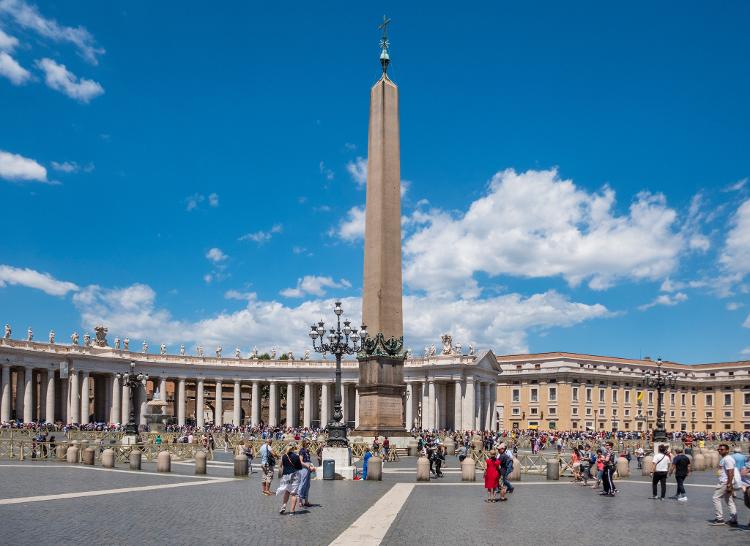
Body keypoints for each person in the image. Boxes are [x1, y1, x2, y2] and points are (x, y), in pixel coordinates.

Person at [276, 443, 314, 515]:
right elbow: (299, 467)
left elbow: (280, 466)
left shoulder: (283, 456)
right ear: (293, 448)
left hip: (286, 476)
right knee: (293, 494)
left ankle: (284, 505)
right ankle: (292, 511)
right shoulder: (296, 456)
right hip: (295, 475)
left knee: (287, 491)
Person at [710, 443, 739, 526]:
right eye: (718, 449)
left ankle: (719, 518)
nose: (719, 450)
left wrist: (729, 484)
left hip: (725, 482)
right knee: (729, 500)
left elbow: (731, 472)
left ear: (727, 450)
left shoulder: (728, 459)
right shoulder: (724, 458)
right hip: (726, 481)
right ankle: (733, 519)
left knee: (715, 498)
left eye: (722, 449)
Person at [298, 440, 313, 506]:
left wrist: (312, 466)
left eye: (309, 443)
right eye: (307, 443)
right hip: (304, 468)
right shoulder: (302, 450)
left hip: (308, 467)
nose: (308, 444)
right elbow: (300, 461)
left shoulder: (307, 451)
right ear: (304, 443)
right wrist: (307, 466)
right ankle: (300, 500)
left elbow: (309, 460)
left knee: (308, 484)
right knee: (303, 483)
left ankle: (306, 500)